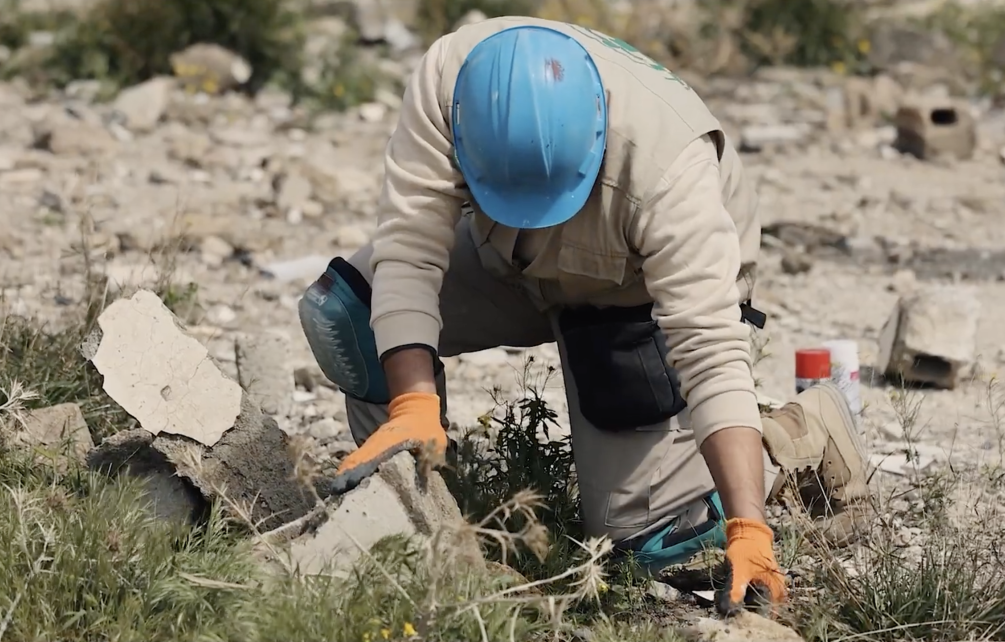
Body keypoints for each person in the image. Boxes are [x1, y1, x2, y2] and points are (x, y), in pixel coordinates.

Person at [296, 15, 871, 614]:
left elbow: (709, 353)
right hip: (504, 256)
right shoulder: (452, 83)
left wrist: (749, 528)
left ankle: (789, 436)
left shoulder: (672, 172)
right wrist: (412, 404)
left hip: (630, 293)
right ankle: (425, 522)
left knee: (655, 542)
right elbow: (410, 247)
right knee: (349, 318)